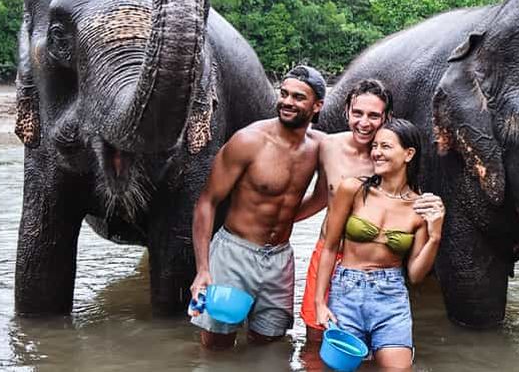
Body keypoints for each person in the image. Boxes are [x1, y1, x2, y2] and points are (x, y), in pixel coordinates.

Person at [188, 65, 326, 350]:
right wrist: (203, 269)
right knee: (217, 344)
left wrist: (287, 219)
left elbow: (323, 196)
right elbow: (207, 201)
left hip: (280, 259)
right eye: (284, 93)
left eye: (299, 97)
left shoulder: (320, 148)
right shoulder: (249, 141)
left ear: (317, 105)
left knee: (269, 344)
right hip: (234, 254)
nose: (287, 101)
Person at [315, 119, 445, 370]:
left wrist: (435, 235)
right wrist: (320, 303)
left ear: (408, 154)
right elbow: (330, 247)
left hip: (391, 297)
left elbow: (416, 275)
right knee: (340, 367)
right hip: (346, 292)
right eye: (375, 146)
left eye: (385, 146)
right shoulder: (352, 189)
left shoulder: (420, 207)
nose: (376, 152)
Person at [294, 79, 394, 342]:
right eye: (358, 113)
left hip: (367, 264)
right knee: (315, 338)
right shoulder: (328, 146)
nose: (364, 122)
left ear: (387, 118)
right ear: (347, 111)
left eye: (374, 116)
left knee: (360, 345)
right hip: (326, 253)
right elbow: (320, 198)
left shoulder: (391, 157)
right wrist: (282, 221)